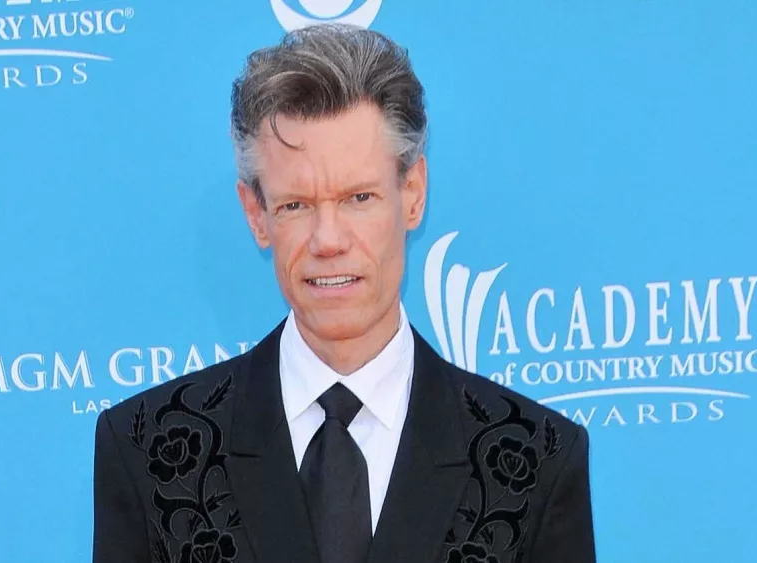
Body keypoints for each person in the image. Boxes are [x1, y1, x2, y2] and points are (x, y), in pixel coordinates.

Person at [93, 23, 596, 563]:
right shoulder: (149, 451)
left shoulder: (534, 457)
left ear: (413, 194)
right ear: (256, 215)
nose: (327, 240)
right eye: (296, 205)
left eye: (359, 197)